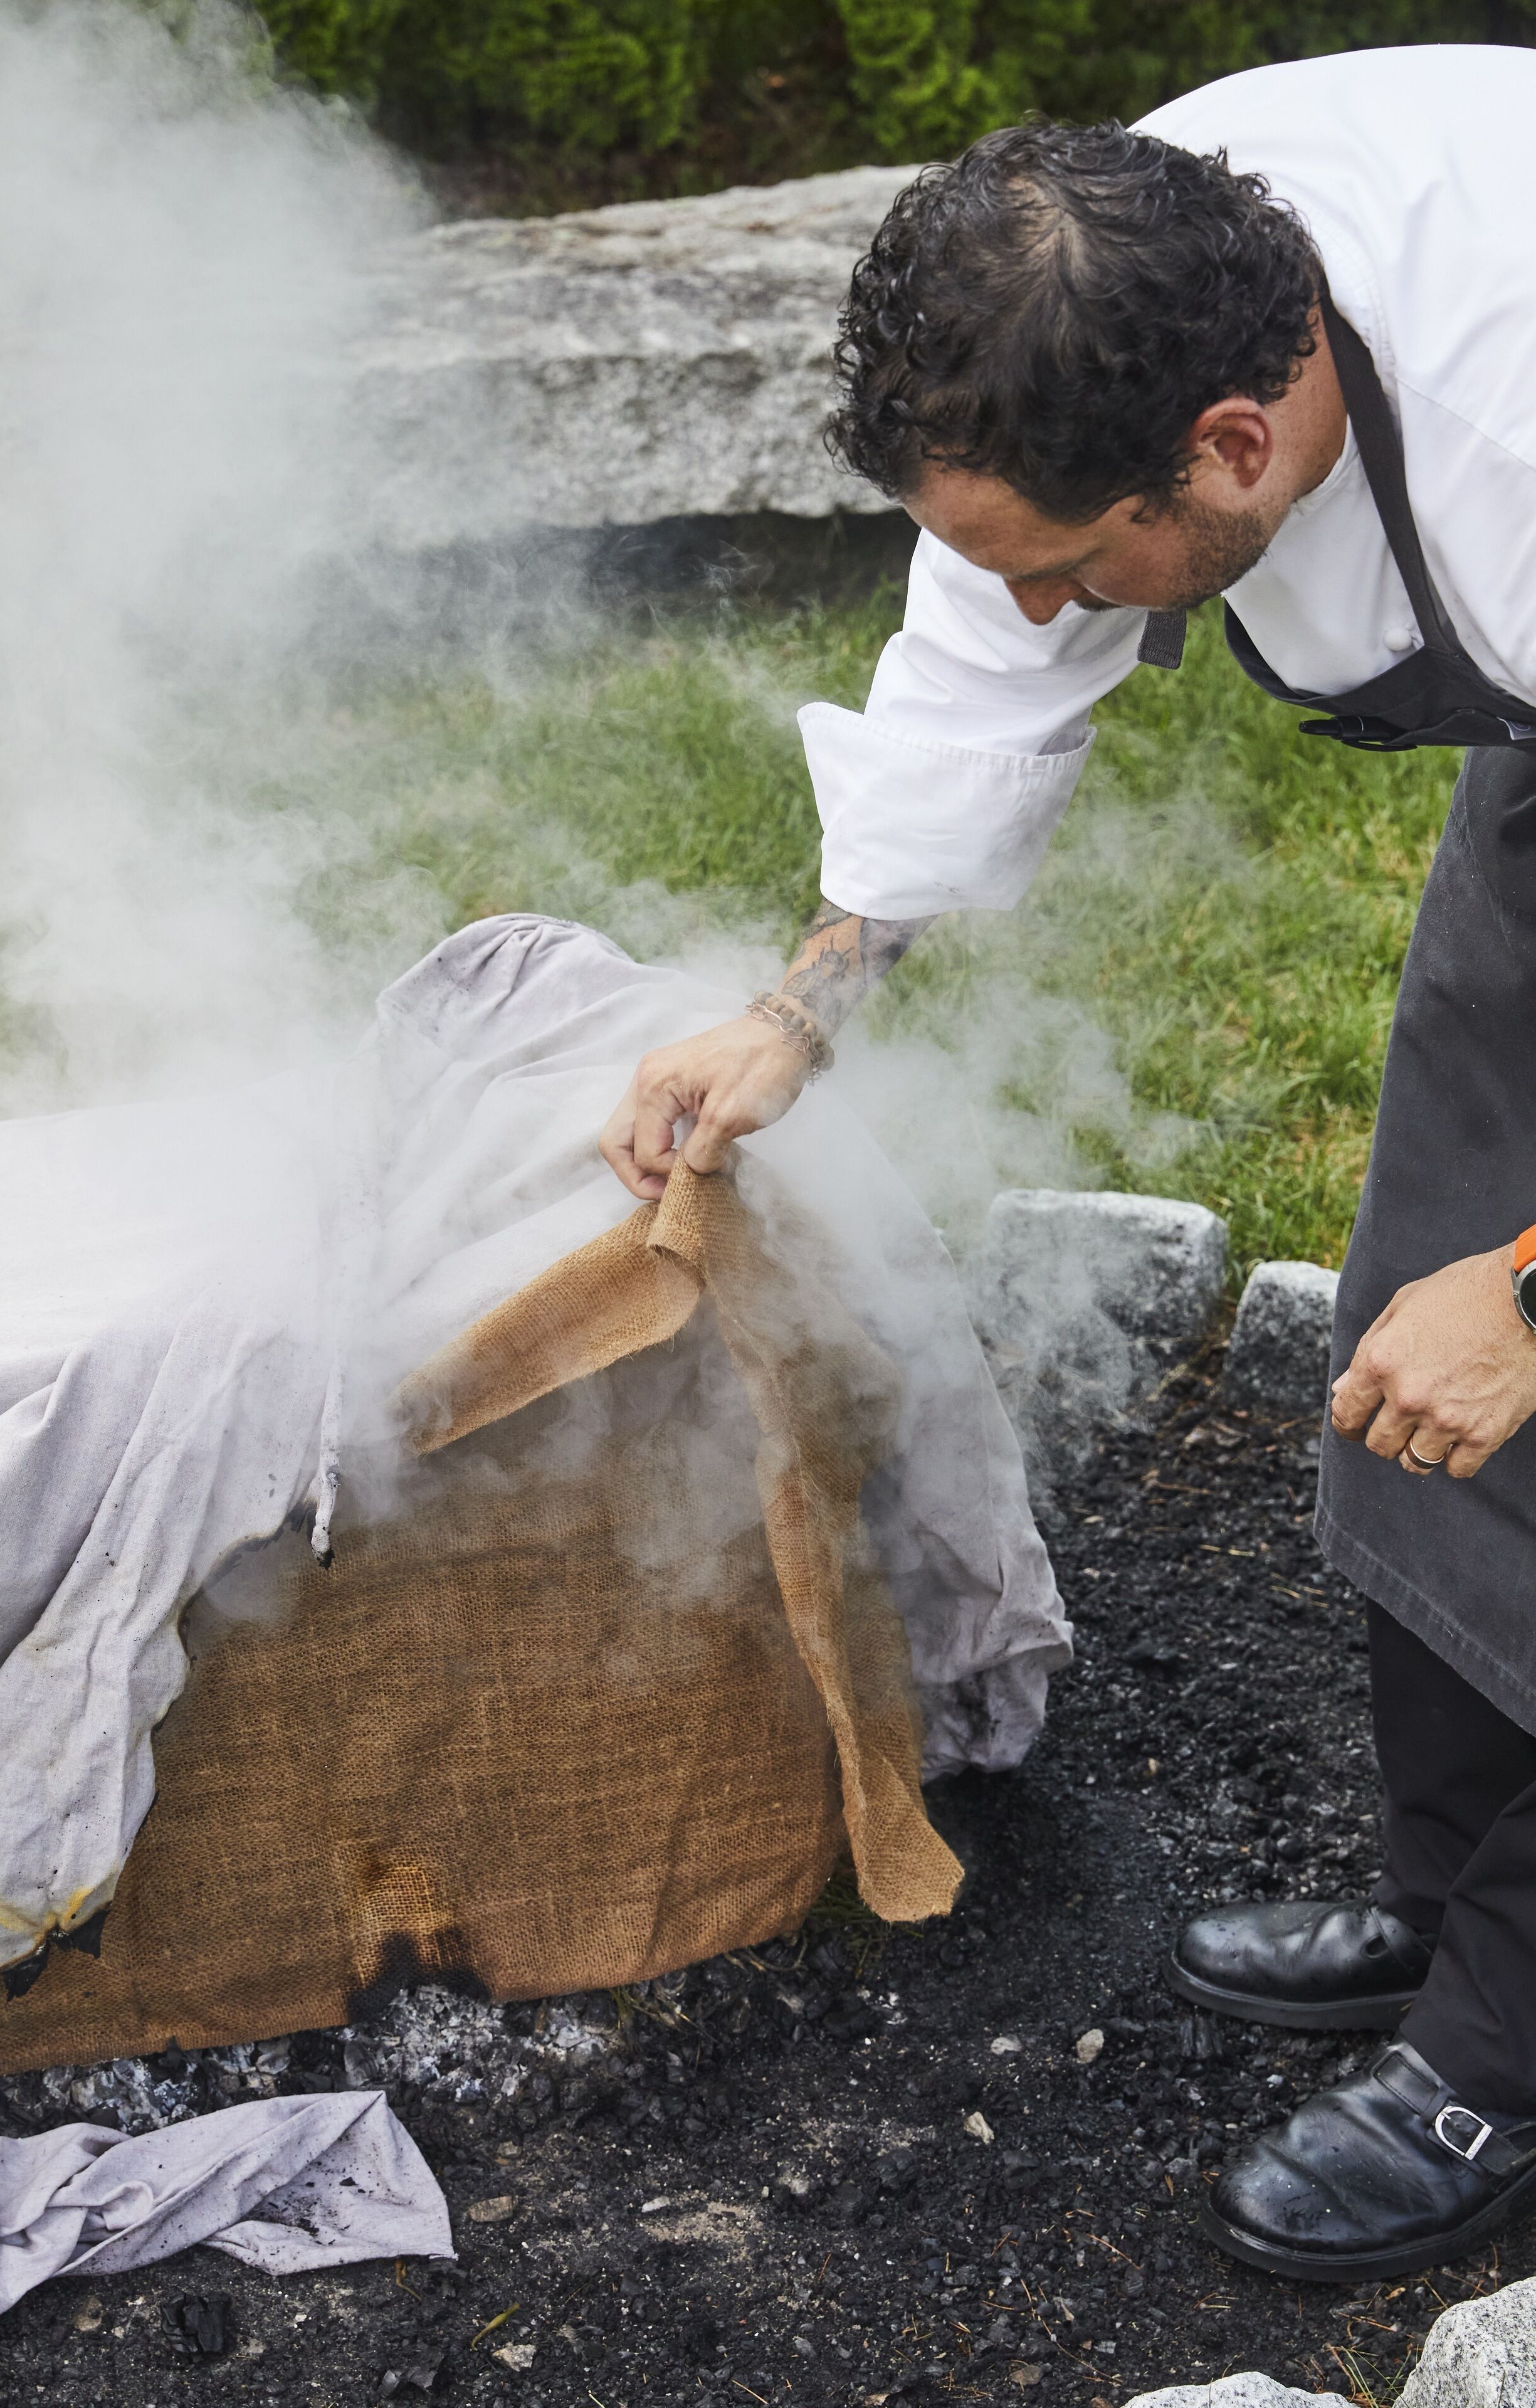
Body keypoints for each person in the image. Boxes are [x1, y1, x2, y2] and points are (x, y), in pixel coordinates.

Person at [599, 43, 1536, 2281]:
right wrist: (797, 1002)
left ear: (1237, 445)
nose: (1041, 616)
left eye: (1070, 577)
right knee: (1423, 1293)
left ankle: (1513, 2048)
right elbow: (968, 692)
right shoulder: (1118, 282)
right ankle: (1456, 1906)